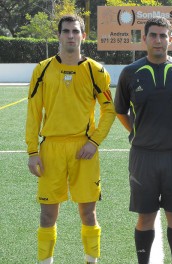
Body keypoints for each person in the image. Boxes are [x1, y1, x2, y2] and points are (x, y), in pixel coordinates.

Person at [25, 15, 116, 264]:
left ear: (83, 36)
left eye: (75, 31)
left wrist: (94, 142)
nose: (70, 36)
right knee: (47, 215)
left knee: (88, 212)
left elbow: (109, 110)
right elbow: (33, 113)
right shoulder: (42, 69)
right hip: (51, 149)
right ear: (59, 35)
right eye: (66, 31)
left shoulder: (96, 71)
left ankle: (91, 261)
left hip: (83, 150)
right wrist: (33, 151)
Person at [114, 16, 172, 264]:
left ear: (170, 39)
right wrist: (137, 132)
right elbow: (120, 110)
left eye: (163, 36)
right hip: (143, 157)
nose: (158, 40)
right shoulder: (130, 73)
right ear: (144, 38)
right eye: (153, 35)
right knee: (145, 218)